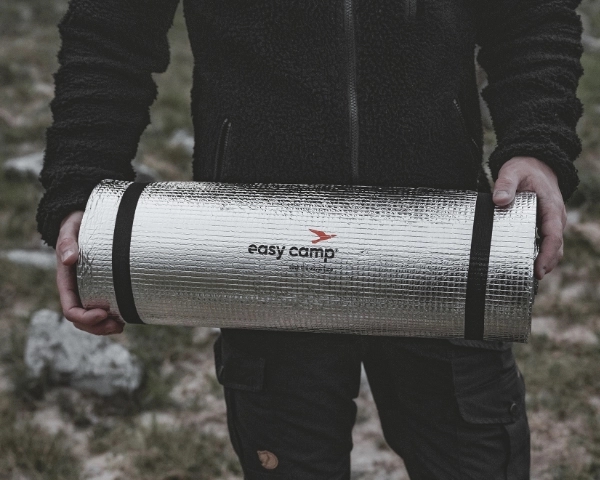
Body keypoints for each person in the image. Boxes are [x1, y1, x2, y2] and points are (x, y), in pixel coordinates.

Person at [37, 0, 584, 478]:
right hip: (257, 248)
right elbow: (111, 27)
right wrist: (83, 186)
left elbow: (532, 12)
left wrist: (537, 143)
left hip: (442, 241)